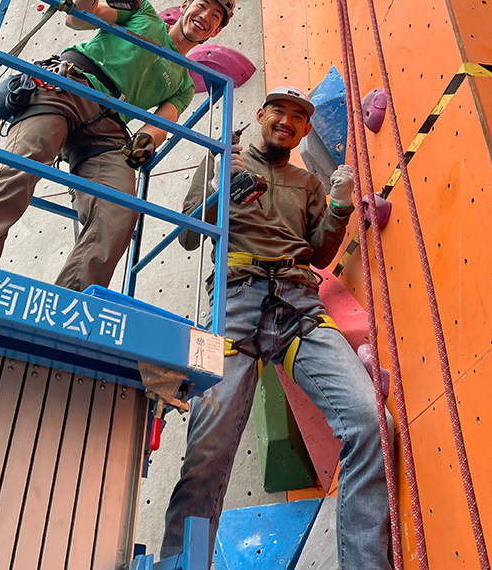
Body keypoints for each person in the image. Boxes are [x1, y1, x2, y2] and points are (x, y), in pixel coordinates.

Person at [161, 87, 392, 569]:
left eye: (298, 118)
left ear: (304, 131)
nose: (287, 121)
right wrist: (221, 189)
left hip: (300, 305)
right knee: (205, 452)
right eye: (279, 111)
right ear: (261, 114)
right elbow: (187, 234)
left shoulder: (306, 183)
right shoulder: (222, 158)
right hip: (230, 304)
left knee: (372, 422)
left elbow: (320, 252)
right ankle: (183, 563)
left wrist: (339, 206)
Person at [0, 0, 236, 292]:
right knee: (23, 163)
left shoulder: (183, 85)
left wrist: (146, 142)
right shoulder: (143, 14)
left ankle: (69, 303)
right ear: (186, 5)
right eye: (202, 5)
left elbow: (160, 124)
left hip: (108, 125)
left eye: (215, 17)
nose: (205, 16)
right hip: (68, 85)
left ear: (215, 32)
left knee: (120, 210)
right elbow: (77, 16)